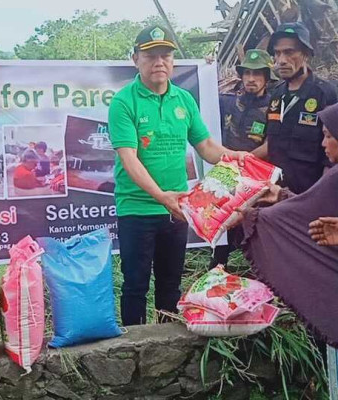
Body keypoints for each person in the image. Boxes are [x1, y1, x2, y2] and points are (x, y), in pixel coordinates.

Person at [108, 25, 247, 326]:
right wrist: (160, 197)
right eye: (151, 56)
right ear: (135, 59)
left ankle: (166, 346)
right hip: (137, 209)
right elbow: (128, 159)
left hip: (178, 210)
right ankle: (134, 350)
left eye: (166, 55)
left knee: (170, 284)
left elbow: (206, 146)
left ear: (172, 61)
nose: (159, 62)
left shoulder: (184, 100)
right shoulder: (124, 102)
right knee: (135, 286)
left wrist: (233, 156)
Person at [236, 103, 338, 398]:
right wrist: (281, 196)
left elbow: (296, 217)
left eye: (328, 135)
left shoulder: (333, 179)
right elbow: (307, 212)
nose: (322, 143)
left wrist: (250, 216)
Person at [255, 22, 337, 194]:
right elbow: (270, 144)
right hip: (275, 195)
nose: (282, 60)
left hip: (309, 198)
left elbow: (333, 158)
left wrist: (320, 199)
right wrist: (238, 160)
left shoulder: (326, 94)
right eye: (277, 53)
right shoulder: (276, 95)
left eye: (289, 52)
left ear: (306, 54)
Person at [212, 49, 275, 267]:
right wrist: (206, 65)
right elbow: (200, 93)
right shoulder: (227, 102)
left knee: (254, 225)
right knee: (222, 221)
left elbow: (271, 144)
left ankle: (262, 272)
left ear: (267, 77)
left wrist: (243, 160)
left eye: (257, 74)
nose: (251, 79)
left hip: (256, 177)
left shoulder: (273, 107)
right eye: (247, 73)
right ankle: (217, 267)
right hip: (226, 173)